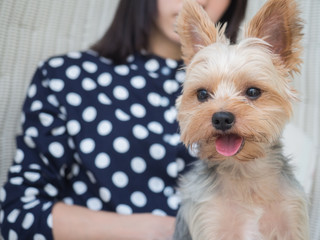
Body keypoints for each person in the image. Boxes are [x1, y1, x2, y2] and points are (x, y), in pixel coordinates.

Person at [0, 0, 247, 239]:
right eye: (202, 94)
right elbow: (18, 213)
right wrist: (155, 231)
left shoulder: (253, 95)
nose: (199, 0)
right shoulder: (66, 78)